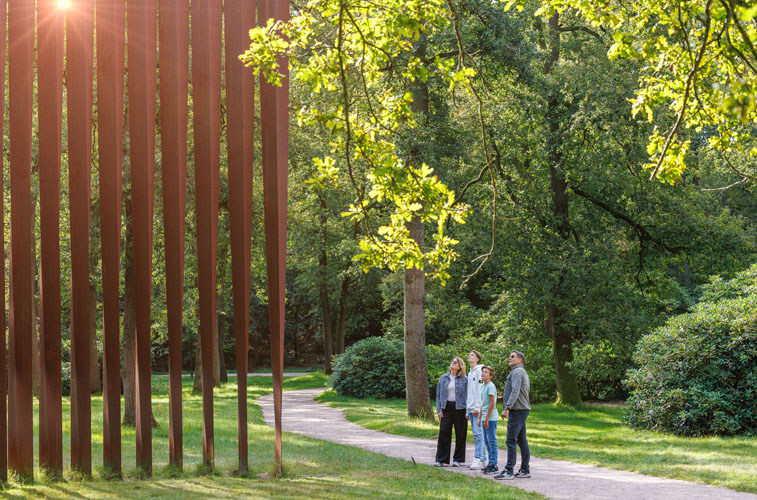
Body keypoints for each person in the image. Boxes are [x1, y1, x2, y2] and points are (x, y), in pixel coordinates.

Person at [495, 350, 531, 480]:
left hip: (517, 410)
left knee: (511, 440)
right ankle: (525, 470)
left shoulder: (517, 372)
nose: (509, 358)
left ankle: (508, 471)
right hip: (522, 410)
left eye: (512, 357)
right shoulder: (521, 371)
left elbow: (515, 391)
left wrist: (507, 407)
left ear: (520, 359)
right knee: (522, 440)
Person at [434, 356, 468, 467]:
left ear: (460, 366)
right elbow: (438, 395)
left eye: (455, 362)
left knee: (460, 434)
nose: (452, 363)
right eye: (452, 361)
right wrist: (439, 410)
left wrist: (468, 411)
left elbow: (469, 396)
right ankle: (441, 459)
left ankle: (457, 459)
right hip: (446, 407)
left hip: (461, 408)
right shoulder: (443, 378)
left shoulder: (465, 379)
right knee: (444, 432)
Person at [466, 350, 487, 470]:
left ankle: (478, 459)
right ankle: (482, 459)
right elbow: (469, 392)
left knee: (478, 433)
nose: (469, 356)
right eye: (469, 354)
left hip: (477, 409)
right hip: (470, 407)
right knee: (476, 434)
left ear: (478, 359)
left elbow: (480, 390)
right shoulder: (470, 372)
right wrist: (467, 409)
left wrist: (477, 407)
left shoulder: (479, 371)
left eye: (472, 355)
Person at [479, 365, 499, 474]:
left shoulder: (491, 386)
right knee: (486, 442)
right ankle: (490, 463)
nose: (483, 374)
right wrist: (480, 418)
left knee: (492, 441)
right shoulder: (483, 386)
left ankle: (493, 464)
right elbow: (483, 404)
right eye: (482, 372)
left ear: (490, 376)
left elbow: (492, 404)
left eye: (485, 372)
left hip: (491, 418)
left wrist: (486, 419)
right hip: (484, 417)